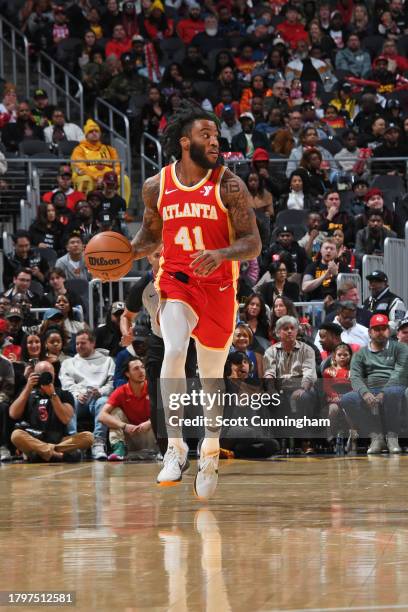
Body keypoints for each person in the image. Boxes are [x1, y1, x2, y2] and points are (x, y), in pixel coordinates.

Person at [131, 101, 261, 499]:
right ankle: (175, 447)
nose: (215, 141)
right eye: (207, 135)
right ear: (185, 142)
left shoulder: (230, 185)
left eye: (217, 136)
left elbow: (253, 243)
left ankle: (209, 449)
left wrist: (221, 254)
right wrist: (121, 254)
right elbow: (151, 238)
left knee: (210, 379)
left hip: (220, 288)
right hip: (176, 281)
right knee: (172, 348)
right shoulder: (157, 185)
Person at [340, 315, 408, 454]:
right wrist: (365, 393)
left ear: (389, 331)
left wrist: (384, 391)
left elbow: (399, 372)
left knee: (391, 392)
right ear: (370, 332)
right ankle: (376, 437)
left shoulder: (400, 348)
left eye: (383, 328)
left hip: (395, 387)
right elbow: (355, 377)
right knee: (347, 399)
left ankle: (392, 436)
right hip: (370, 389)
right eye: (376, 329)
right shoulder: (361, 353)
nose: (380, 332)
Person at [10, 361, 93, 462]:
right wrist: (28, 388)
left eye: (48, 374)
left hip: (59, 440)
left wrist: (52, 394)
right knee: (16, 435)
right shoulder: (27, 392)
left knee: (88, 437)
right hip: (34, 438)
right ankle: (59, 456)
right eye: (41, 374)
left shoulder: (64, 394)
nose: (44, 377)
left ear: (54, 375)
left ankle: (40, 453)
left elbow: (65, 419)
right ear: (34, 375)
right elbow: (13, 414)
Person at [60, 329, 115, 460]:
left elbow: (111, 383)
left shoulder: (107, 361)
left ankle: (98, 443)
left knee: (104, 403)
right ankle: (75, 442)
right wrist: (77, 393)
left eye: (83, 343)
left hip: (98, 397)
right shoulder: (68, 363)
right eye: (77, 344)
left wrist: (101, 391)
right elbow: (66, 383)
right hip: (79, 398)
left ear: (93, 343)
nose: (79, 346)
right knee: (69, 402)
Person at [99, 357, 157, 461]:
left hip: (151, 436)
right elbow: (102, 416)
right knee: (114, 411)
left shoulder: (153, 388)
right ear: (127, 374)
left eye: (142, 367)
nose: (141, 371)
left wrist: (150, 422)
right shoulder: (121, 391)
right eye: (136, 369)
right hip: (131, 436)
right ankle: (119, 449)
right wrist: (124, 426)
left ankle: (164, 450)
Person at [302, 238, 349, 302]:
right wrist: (324, 276)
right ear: (321, 250)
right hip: (315, 303)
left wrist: (336, 275)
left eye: (332, 249)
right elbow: (304, 287)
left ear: (336, 252)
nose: (328, 251)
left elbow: (348, 289)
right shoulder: (312, 266)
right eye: (326, 248)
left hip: (336, 302)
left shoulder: (342, 266)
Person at [0, 353, 15, 461]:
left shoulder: (5, 363)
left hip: (0, 398)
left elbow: (8, 389)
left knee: (3, 407)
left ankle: (3, 447)